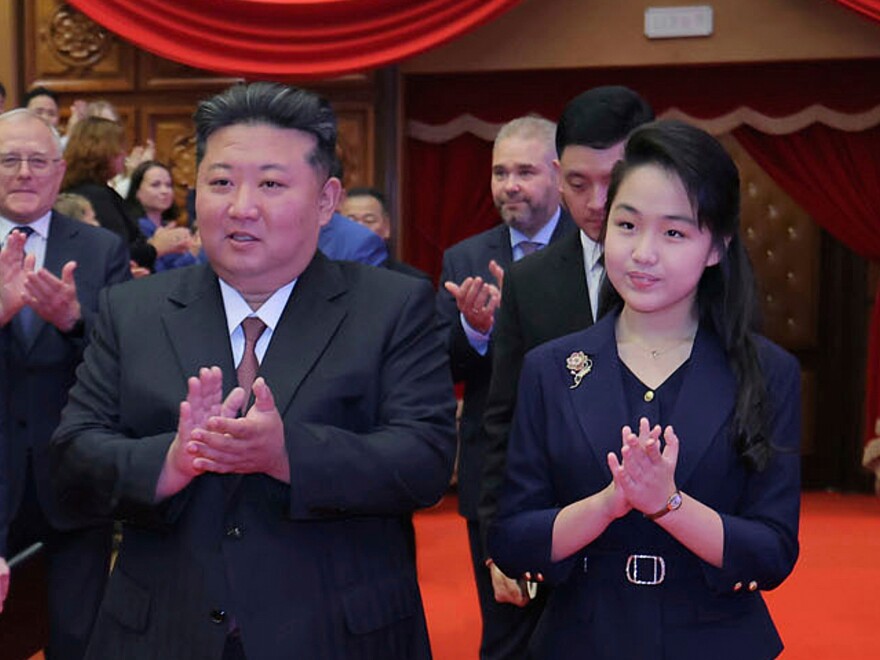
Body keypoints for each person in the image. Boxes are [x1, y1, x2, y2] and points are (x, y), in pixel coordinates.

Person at [50, 81, 456, 660]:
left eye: (270, 183)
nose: (241, 206)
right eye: (220, 182)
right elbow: (73, 458)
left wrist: (286, 454)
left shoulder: (393, 307)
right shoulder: (132, 309)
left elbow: (424, 461)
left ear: (325, 198)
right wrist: (169, 461)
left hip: (337, 635)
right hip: (161, 634)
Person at [489, 119, 802, 659]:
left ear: (716, 248)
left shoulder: (767, 372)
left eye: (674, 233)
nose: (643, 253)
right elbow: (514, 538)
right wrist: (609, 504)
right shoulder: (552, 368)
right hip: (579, 640)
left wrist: (668, 504)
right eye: (627, 225)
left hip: (716, 642)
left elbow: (771, 551)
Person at [479, 87, 654, 606]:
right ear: (558, 176)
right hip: (555, 539)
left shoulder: (699, 268)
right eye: (578, 183)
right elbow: (502, 419)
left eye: (614, 181)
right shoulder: (529, 282)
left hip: (668, 536)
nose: (597, 202)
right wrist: (499, 541)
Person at [436, 115, 574, 660]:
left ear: (558, 175)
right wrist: (476, 329)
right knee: (506, 629)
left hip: (575, 466)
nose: (509, 185)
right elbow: (440, 367)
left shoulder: (595, 245)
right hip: (492, 472)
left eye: (523, 171)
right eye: (499, 172)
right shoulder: (465, 258)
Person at [0, 109, 131, 658]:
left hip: (74, 480)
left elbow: (129, 362)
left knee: (78, 639)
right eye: (9, 159)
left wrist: (76, 321)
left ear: (59, 172)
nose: (24, 172)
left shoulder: (101, 250)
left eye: (38, 160)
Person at [125, 160, 203, 271]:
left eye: (168, 185)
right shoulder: (136, 229)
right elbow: (159, 272)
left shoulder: (170, 224)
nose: (164, 191)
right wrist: (192, 254)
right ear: (137, 192)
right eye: (155, 185)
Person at [341, 187, 428, 279]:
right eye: (350, 221)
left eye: (369, 220)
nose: (359, 228)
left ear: (387, 227)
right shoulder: (327, 275)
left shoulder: (412, 281)